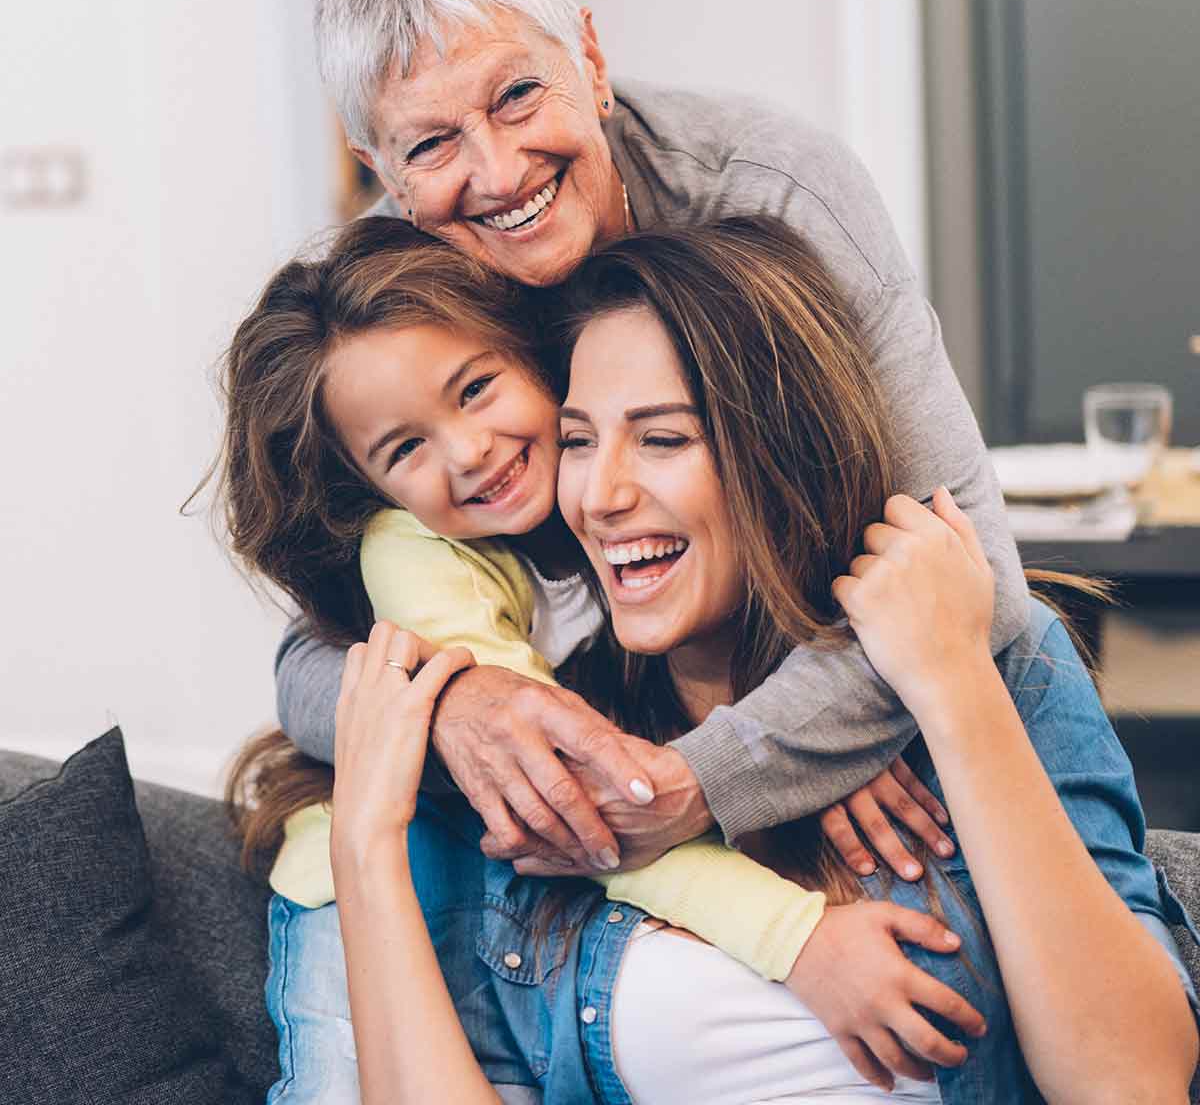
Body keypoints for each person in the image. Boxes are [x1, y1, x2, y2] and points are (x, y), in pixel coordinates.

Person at [221, 217, 1197, 1103]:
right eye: (577, 440)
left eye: (663, 438)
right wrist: (367, 841)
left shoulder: (997, 669)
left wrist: (949, 683)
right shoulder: (568, 758)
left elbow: (1133, 1084)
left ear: (781, 451)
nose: (599, 494)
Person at [276, 0, 1032, 884]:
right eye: (430, 147)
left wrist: (717, 771)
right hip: (606, 747)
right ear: (383, 175)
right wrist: (454, 706)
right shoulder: (387, 306)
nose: (498, 173)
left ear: (588, 59)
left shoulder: (775, 192)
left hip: (833, 728)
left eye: (516, 95)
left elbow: (978, 582)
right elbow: (304, 664)